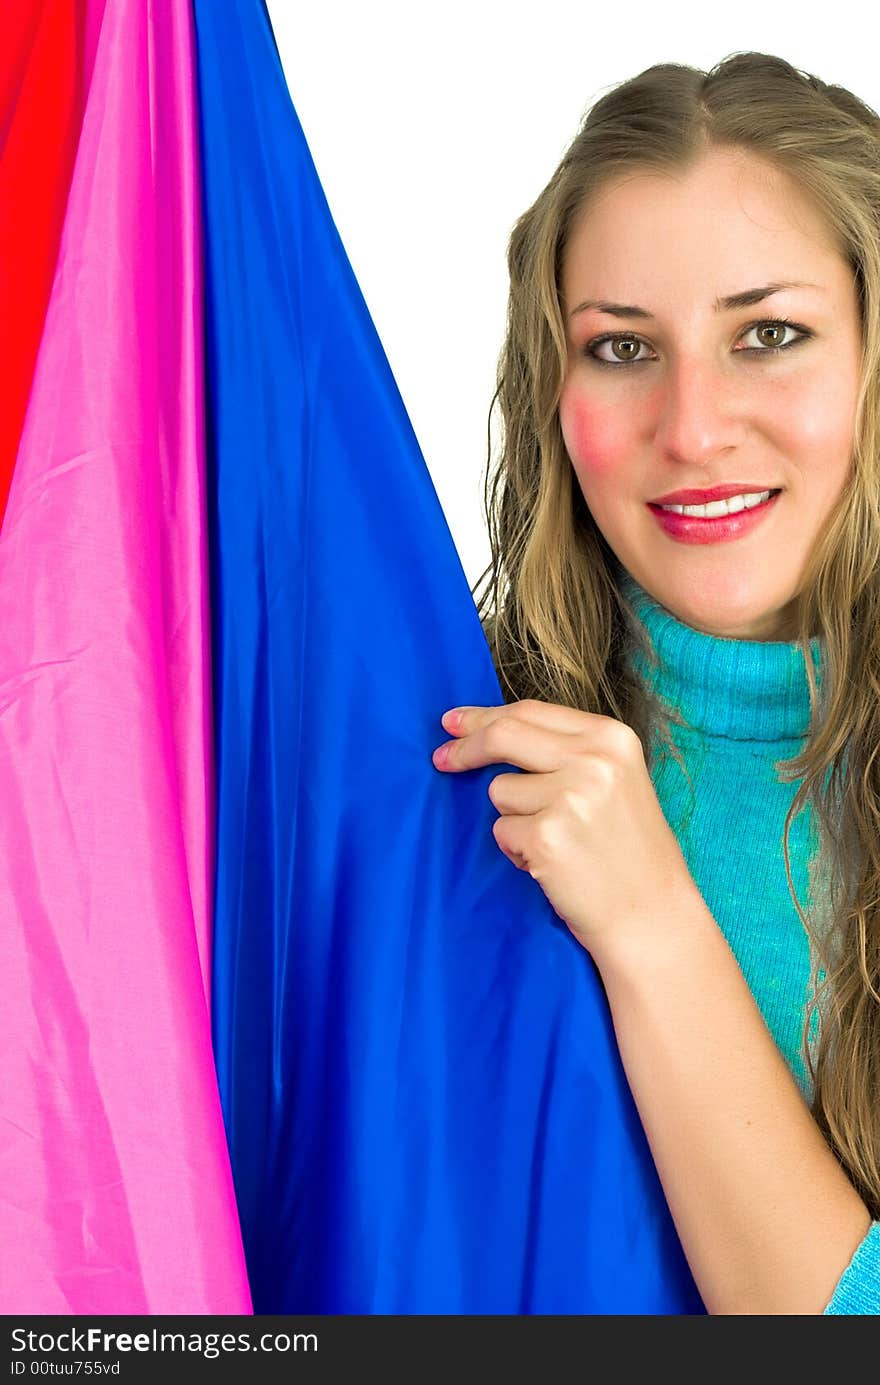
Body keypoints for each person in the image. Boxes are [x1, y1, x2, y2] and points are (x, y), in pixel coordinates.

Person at [431, 51, 880, 1313]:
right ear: (551, 393)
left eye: (769, 334)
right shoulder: (450, 760)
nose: (691, 426)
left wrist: (650, 921)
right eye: (622, 347)